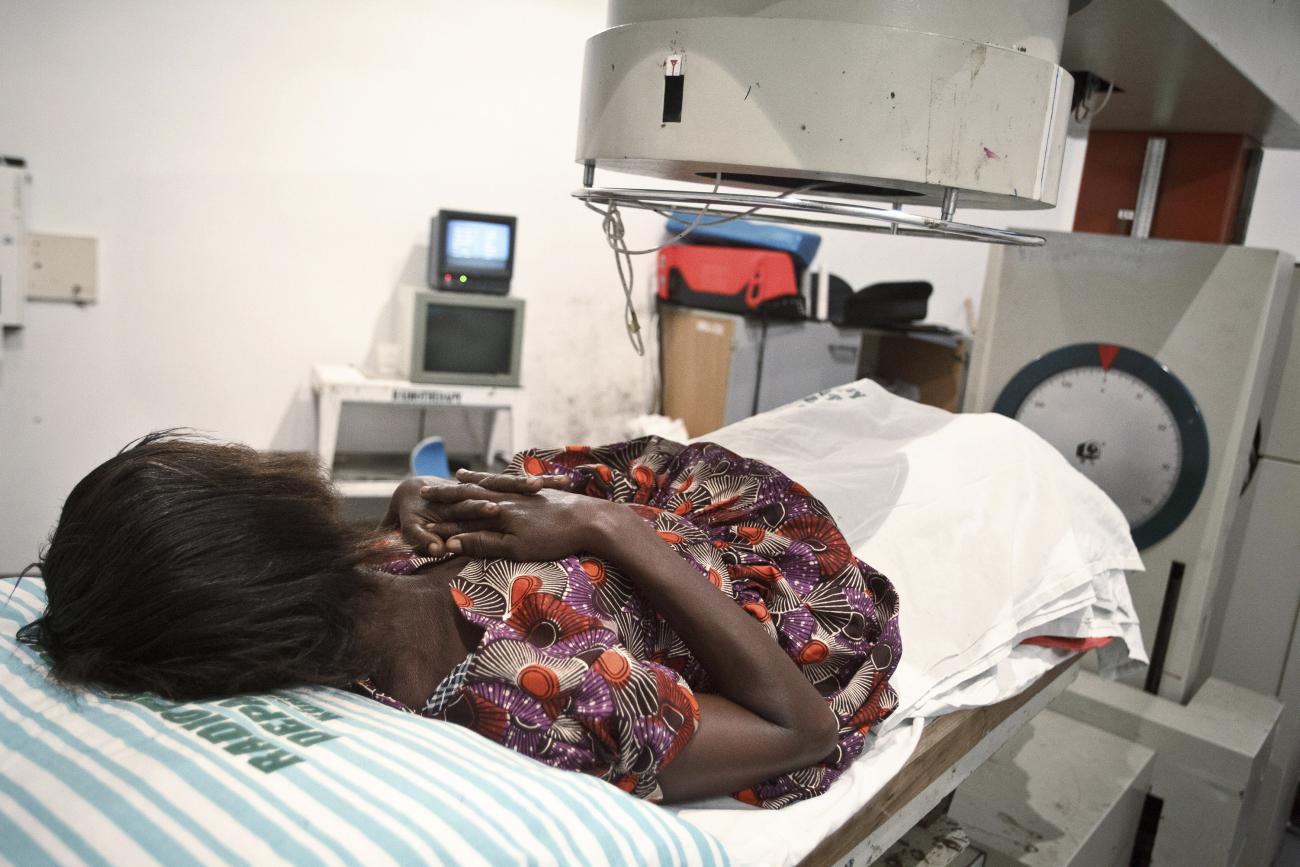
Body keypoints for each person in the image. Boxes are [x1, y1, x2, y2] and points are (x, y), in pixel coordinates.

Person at [20, 432, 901, 808]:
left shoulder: (353, 585)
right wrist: (609, 526)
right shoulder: (538, 696)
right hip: (776, 599)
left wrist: (413, 499)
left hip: (696, 511)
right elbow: (801, 727)